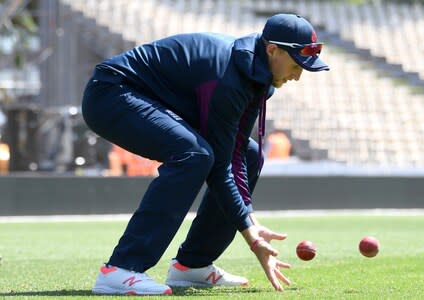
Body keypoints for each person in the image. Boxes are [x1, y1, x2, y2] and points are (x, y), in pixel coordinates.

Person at [82, 13, 329, 295]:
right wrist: (251, 233)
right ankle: (121, 269)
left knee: (250, 155)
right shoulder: (228, 78)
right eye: (297, 65)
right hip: (111, 94)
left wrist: (248, 218)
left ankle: (193, 265)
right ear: (272, 49)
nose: (298, 76)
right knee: (195, 155)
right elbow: (221, 165)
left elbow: (235, 153)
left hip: (147, 98)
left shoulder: (257, 78)